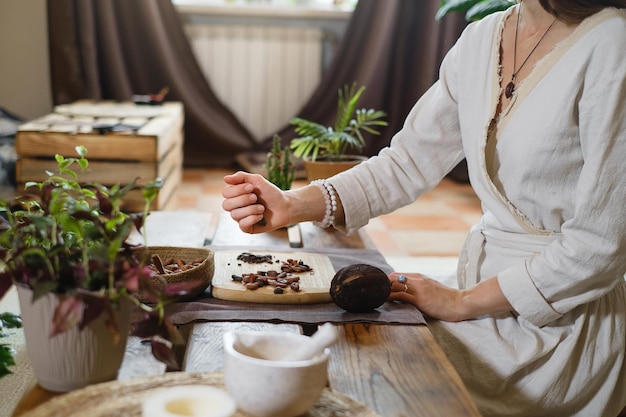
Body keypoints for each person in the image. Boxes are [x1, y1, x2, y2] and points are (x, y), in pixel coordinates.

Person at [222, 0, 626, 415]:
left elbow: (600, 246)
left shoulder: (613, 43)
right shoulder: (483, 37)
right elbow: (408, 161)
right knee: (333, 343)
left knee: (362, 368)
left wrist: (463, 302)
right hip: (481, 290)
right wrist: (291, 204)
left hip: (558, 326)